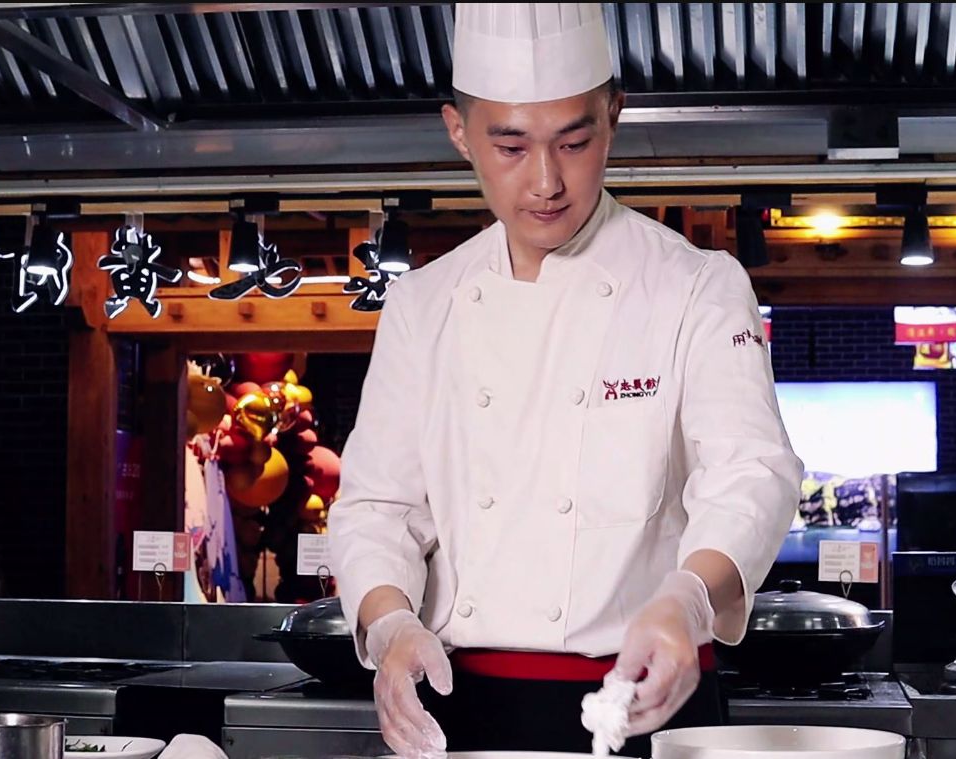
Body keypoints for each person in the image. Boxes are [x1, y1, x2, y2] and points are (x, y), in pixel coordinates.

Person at [327, 3, 803, 756]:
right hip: (463, 708)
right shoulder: (423, 303)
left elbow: (752, 473)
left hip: (646, 699)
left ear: (614, 115)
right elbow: (377, 506)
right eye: (510, 146)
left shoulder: (695, 285)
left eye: (575, 142)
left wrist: (687, 599)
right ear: (459, 132)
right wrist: (388, 625)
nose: (546, 181)